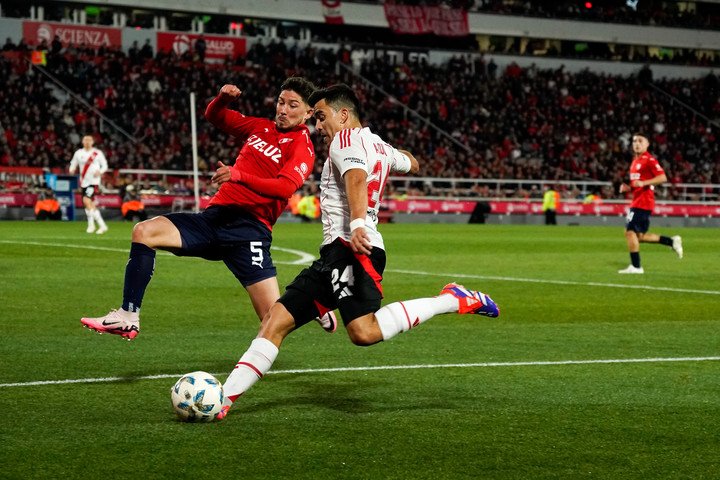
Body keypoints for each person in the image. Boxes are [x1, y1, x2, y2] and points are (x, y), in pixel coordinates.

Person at [215, 84, 500, 420]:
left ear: (343, 115)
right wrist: (393, 154)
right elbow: (414, 163)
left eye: (321, 117)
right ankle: (223, 400)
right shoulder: (377, 144)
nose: (317, 125)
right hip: (333, 254)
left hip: (352, 247)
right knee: (275, 321)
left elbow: (355, 178)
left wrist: (358, 225)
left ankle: (452, 299)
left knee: (363, 332)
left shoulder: (344, 141)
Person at [80, 77, 331, 340]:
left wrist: (238, 175)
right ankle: (128, 317)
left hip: (249, 231)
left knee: (272, 323)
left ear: (309, 112)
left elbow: (284, 189)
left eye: (293, 105)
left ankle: (310, 303)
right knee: (144, 231)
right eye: (281, 102)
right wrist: (223, 98)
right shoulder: (261, 127)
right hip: (213, 220)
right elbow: (215, 116)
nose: (283, 110)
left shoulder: (302, 146)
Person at [618, 133, 683, 274]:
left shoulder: (649, 159)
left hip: (643, 203)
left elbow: (663, 177)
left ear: (647, 144)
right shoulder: (635, 162)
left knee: (629, 232)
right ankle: (671, 242)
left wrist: (644, 182)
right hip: (636, 202)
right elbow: (637, 184)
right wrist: (628, 187)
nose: (636, 143)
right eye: (634, 141)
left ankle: (636, 267)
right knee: (638, 237)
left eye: (640, 141)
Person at [68, 135, 109, 234]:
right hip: (83, 182)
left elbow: (105, 165)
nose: (87, 142)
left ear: (92, 142)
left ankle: (96, 225)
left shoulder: (97, 153)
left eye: (89, 140)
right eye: (85, 140)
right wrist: (71, 169)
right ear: (82, 141)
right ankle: (96, 225)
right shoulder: (78, 153)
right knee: (88, 204)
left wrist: (100, 171)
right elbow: (73, 163)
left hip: (94, 181)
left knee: (86, 200)